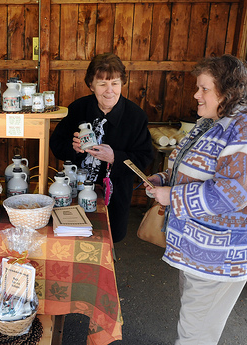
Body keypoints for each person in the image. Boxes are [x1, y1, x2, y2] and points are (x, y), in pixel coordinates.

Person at [146, 54, 247, 344]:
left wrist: (172, 195)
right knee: (193, 322)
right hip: (197, 251)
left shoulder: (240, 129)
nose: (196, 95)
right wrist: (163, 180)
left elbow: (232, 193)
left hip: (219, 258)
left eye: (204, 88)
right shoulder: (210, 122)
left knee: (195, 334)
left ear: (227, 92)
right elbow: (187, 166)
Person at [50, 53, 154, 242]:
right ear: (91, 85)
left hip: (115, 196)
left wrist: (115, 157)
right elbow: (56, 144)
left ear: (122, 83)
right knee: (72, 239)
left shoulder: (135, 116)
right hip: (75, 192)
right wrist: (72, 147)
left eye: (115, 83)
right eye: (102, 84)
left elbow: (144, 158)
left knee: (108, 241)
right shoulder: (77, 109)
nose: (109, 91)